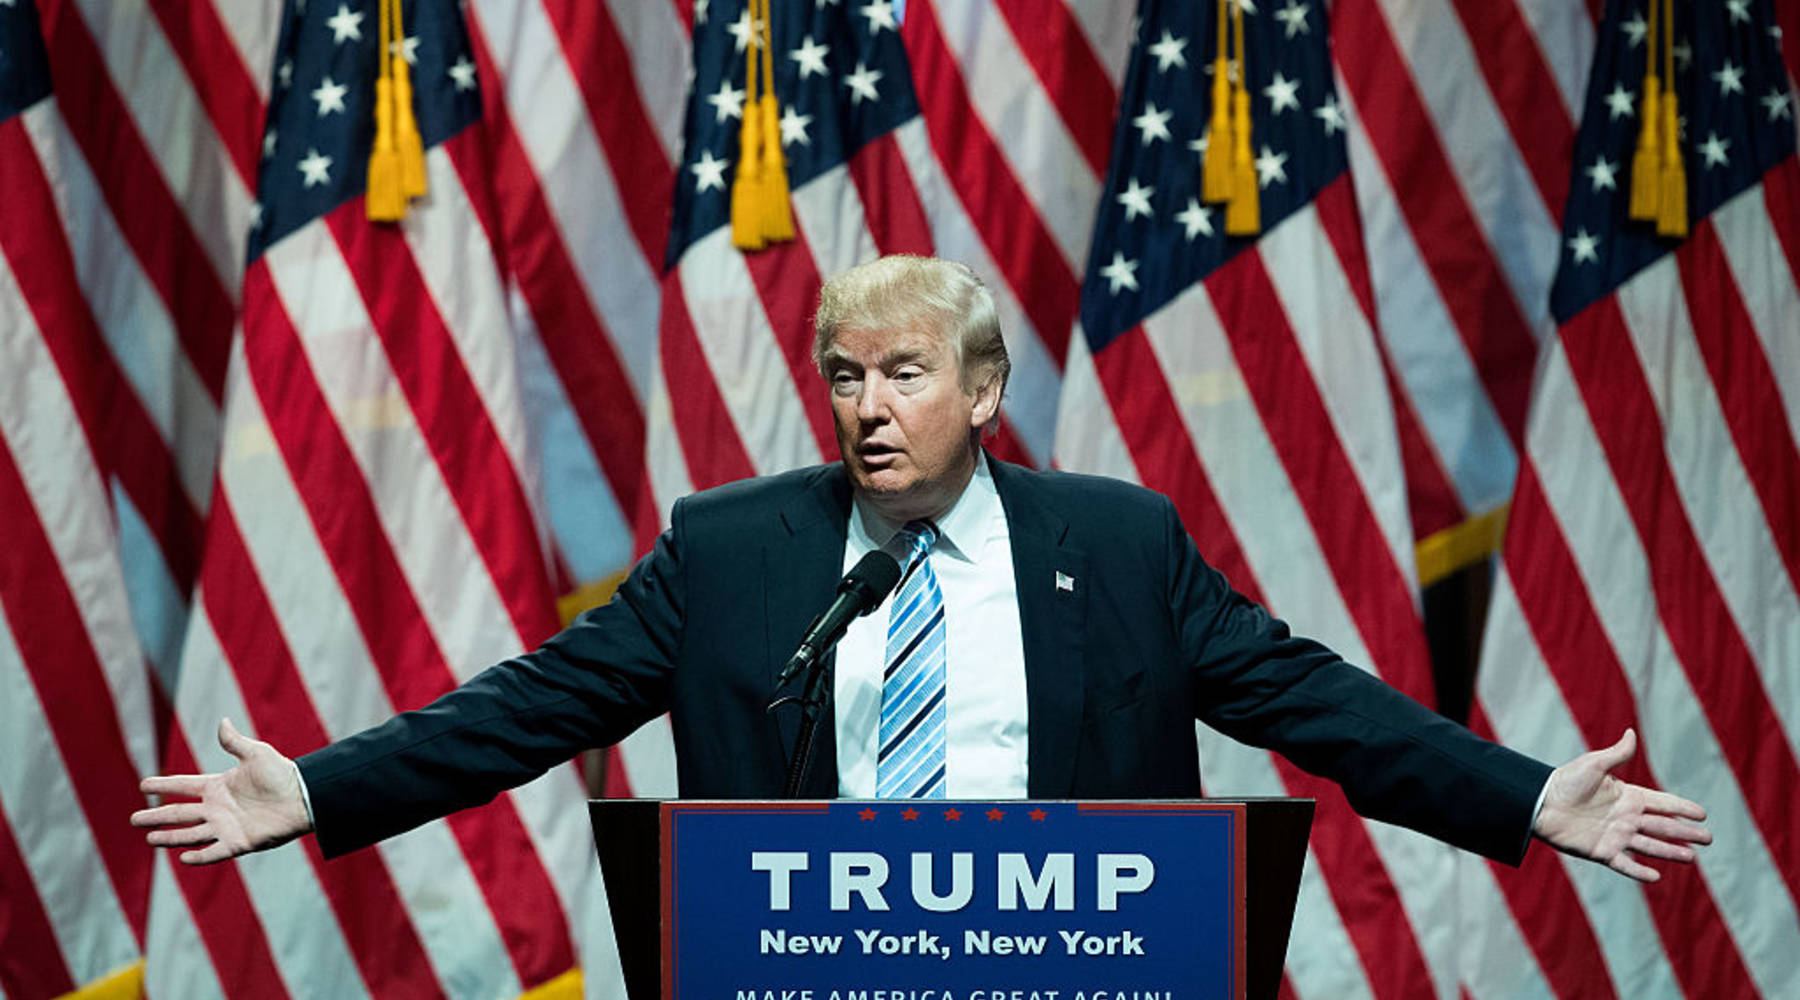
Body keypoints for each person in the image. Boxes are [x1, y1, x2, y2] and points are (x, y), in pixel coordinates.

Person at [133, 255, 1709, 882]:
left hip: (1072, 964)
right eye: (841, 377)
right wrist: (327, 788)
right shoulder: (739, 550)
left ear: (981, 394)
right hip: (806, 971)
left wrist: (1523, 795)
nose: (866, 409)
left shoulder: (1118, 540)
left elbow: (1312, 700)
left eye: (899, 376)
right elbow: (538, 703)